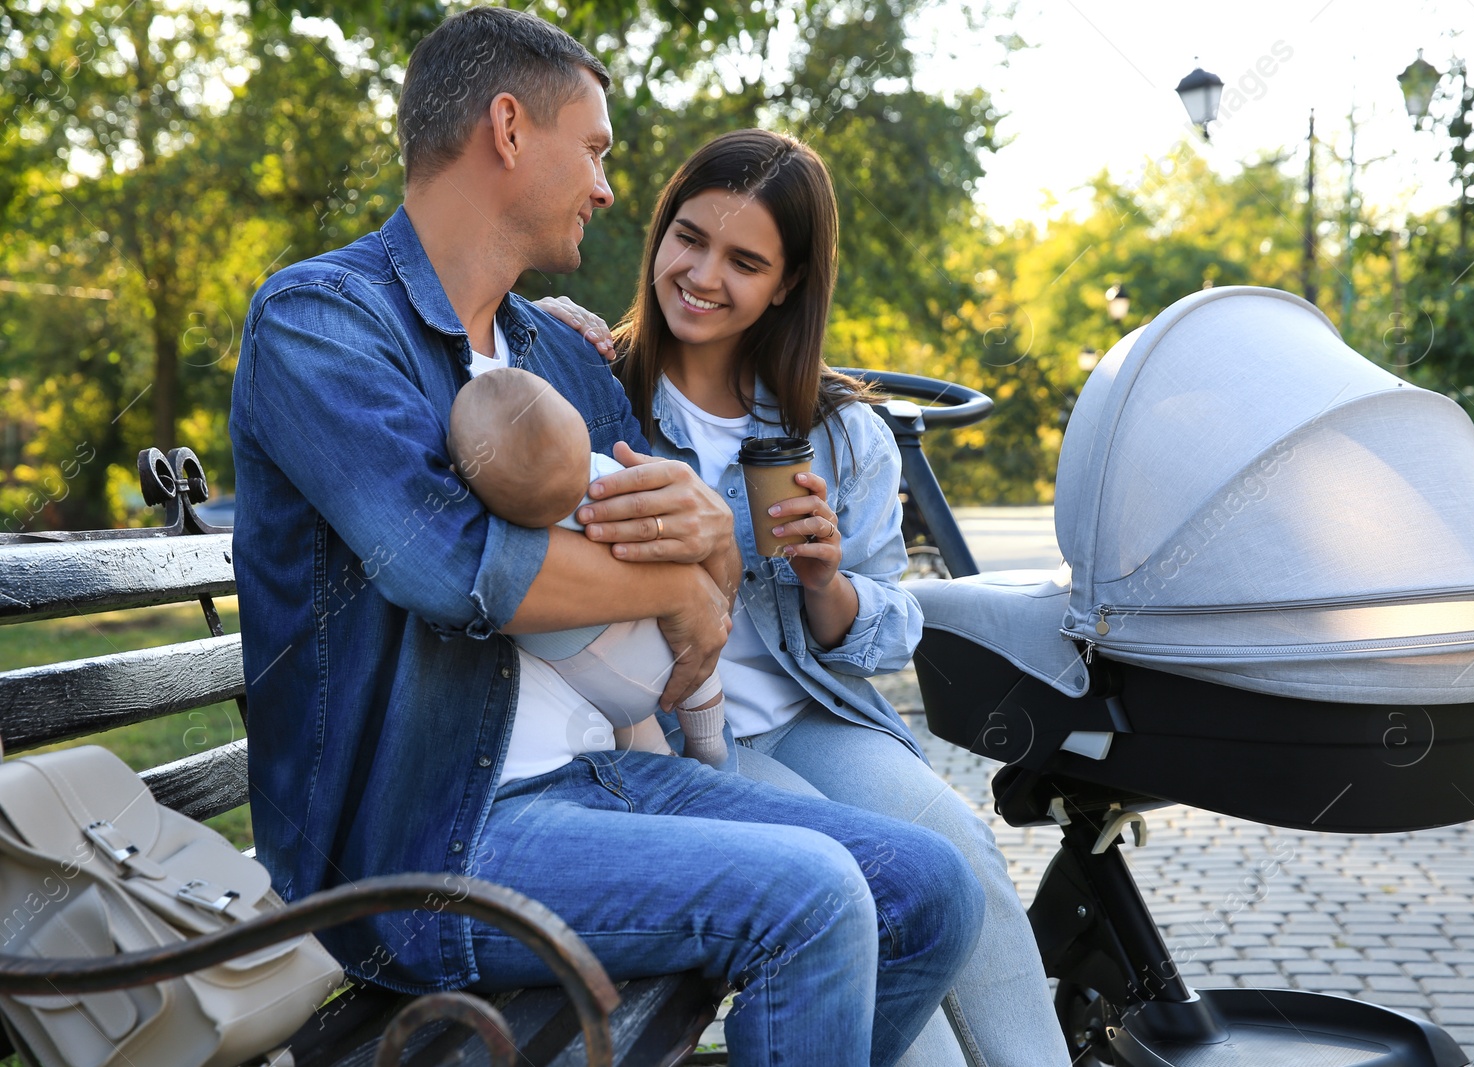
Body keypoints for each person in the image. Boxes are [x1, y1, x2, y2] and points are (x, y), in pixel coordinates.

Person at [229, 9, 983, 1066]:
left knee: (931, 885)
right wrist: (676, 588)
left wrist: (704, 549)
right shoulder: (324, 319)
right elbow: (446, 564)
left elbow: (707, 563)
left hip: (595, 780)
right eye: (594, 148)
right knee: (810, 900)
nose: (607, 186)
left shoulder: (555, 351)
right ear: (507, 129)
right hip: (421, 847)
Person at [546, 128, 1072, 1067]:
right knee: (871, 903)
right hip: (681, 740)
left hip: (812, 714)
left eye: (745, 261)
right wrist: (537, 318)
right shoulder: (593, 386)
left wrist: (828, 584)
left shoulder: (837, 432)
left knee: (964, 856)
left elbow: (887, 620)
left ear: (786, 284)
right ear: (659, 231)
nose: (703, 275)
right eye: (689, 238)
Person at [447, 365, 727, 765]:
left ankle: (665, 764)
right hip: (654, 648)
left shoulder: (486, 509)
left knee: (641, 744)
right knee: (703, 684)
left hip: (583, 679)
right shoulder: (605, 479)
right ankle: (710, 750)